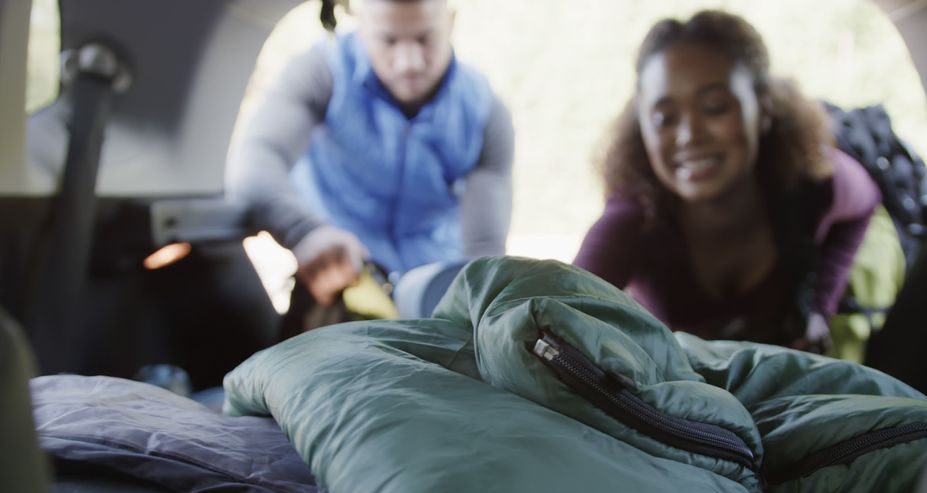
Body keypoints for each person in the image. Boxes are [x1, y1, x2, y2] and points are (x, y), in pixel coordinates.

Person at [573, 10, 882, 352]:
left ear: (763, 109)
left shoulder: (810, 178)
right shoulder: (634, 218)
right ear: (642, 130)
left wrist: (820, 308)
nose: (689, 135)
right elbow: (560, 315)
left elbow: (865, 202)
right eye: (665, 118)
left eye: (715, 107)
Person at [226, 0, 514, 317]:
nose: (409, 63)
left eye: (424, 38)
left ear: (450, 22)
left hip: (436, 302)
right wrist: (305, 232)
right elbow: (257, 159)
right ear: (361, 27)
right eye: (388, 40)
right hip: (339, 288)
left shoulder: (485, 110)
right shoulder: (321, 71)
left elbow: (485, 247)